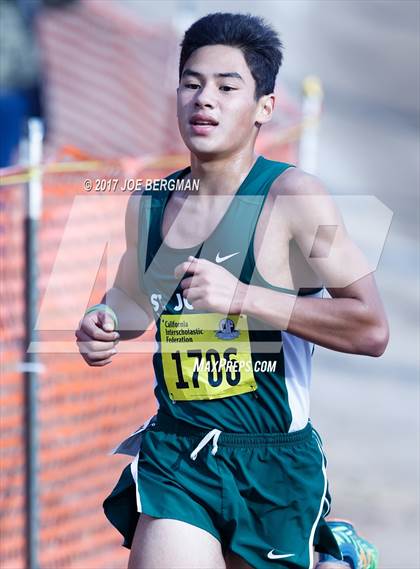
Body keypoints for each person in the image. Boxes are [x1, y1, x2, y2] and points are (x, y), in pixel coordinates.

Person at [76, 12, 388, 569]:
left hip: (273, 463)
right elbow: (131, 301)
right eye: (192, 84)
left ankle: (333, 555)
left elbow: (370, 328)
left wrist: (244, 297)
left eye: (227, 87)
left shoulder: (292, 197)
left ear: (264, 108)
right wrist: (103, 323)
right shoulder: (149, 204)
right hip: (180, 453)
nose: (205, 100)